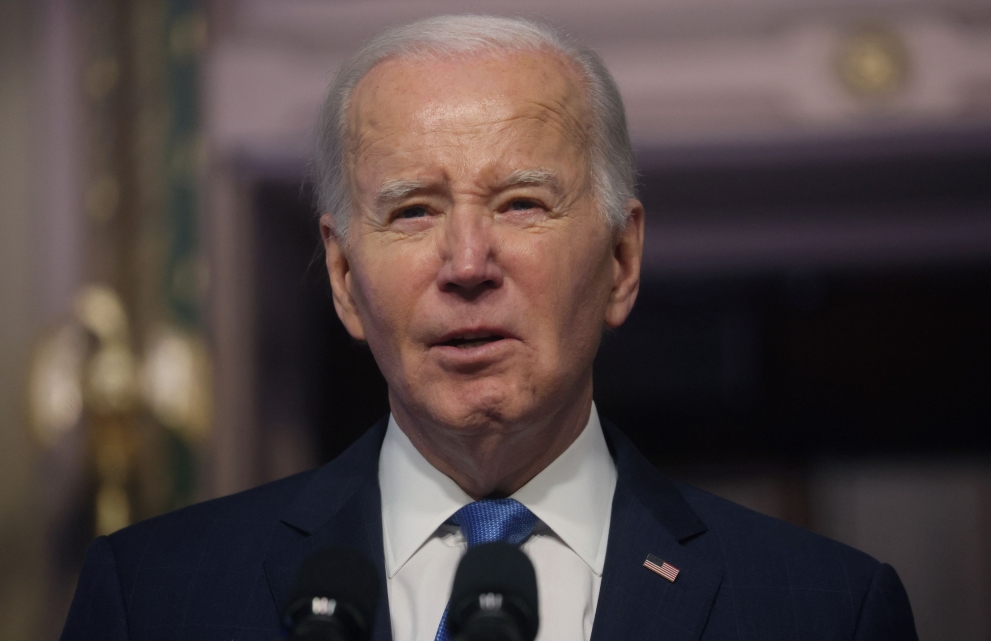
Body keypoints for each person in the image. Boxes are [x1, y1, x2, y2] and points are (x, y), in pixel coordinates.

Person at [61, 15, 917, 641]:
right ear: (344, 278)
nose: (467, 261)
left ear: (620, 260)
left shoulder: (823, 610)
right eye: (413, 210)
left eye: (521, 203)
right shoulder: (155, 599)